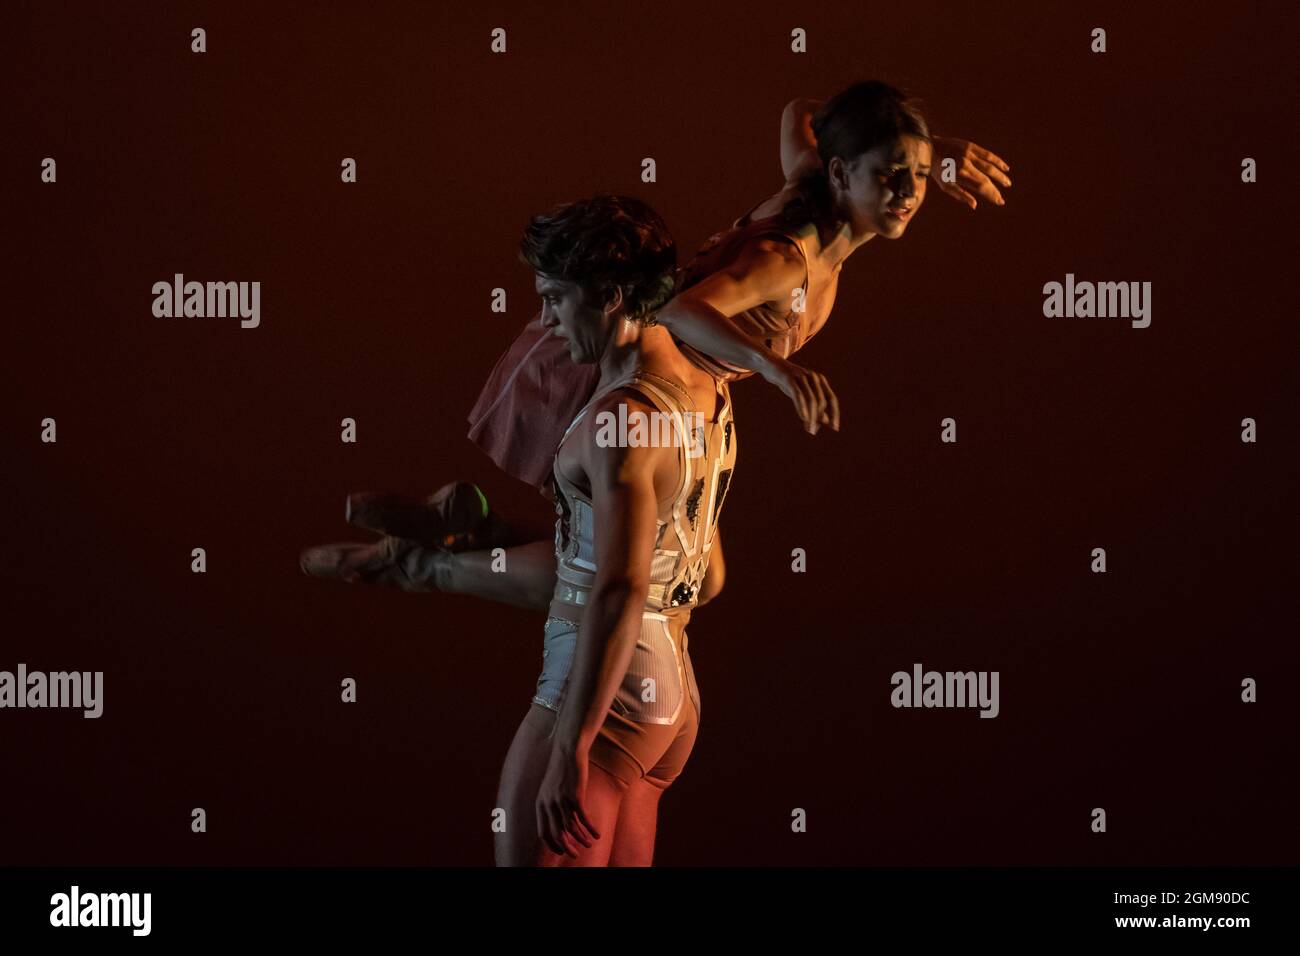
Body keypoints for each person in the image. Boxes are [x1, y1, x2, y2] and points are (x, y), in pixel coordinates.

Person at [300, 80, 1012, 588]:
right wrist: (775, 368)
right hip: (625, 377)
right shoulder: (786, 258)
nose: (909, 191)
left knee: (696, 577)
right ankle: (425, 565)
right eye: (889, 174)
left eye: (917, 175)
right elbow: (678, 311)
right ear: (841, 173)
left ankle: (472, 533)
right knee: (627, 573)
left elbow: (800, 108)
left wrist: (923, 143)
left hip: (681, 394)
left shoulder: (808, 180)